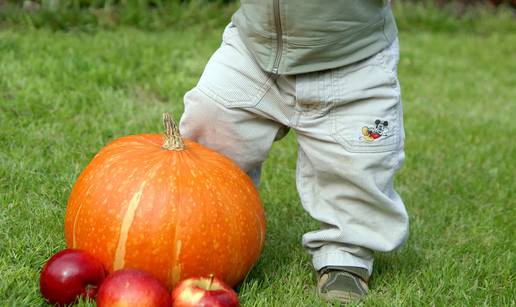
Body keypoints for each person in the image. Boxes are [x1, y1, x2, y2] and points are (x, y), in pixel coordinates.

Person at [179, 0, 409, 303]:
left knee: (356, 165)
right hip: (252, 51)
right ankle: (206, 232)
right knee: (211, 129)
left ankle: (347, 252)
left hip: (352, 61)